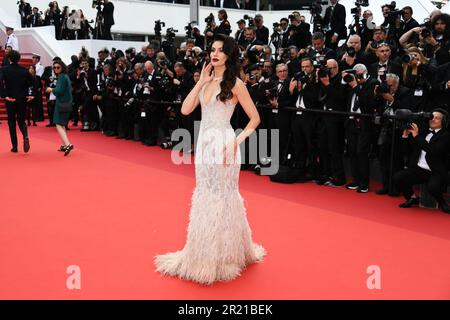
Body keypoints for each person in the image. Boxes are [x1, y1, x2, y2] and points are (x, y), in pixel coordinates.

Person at [155, 34, 265, 285]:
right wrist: (200, 82)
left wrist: (235, 142)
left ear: (228, 54)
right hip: (204, 145)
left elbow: (255, 119)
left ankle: (225, 254)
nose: (214, 54)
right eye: (212, 50)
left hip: (225, 144)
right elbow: (185, 109)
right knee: (205, 192)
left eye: (220, 50)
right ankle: (202, 252)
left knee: (224, 195)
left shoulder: (236, 83)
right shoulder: (205, 80)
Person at [394, 108, 450, 214]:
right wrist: (405, 135)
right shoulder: (423, 133)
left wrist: (416, 136)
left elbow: (433, 151)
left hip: (435, 171)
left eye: (437, 118)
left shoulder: (446, 136)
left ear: (443, 122)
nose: (433, 120)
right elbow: (407, 151)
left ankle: (442, 202)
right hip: (419, 169)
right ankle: (412, 197)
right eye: (432, 117)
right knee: (398, 177)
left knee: (433, 188)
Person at [0, 50, 33, 153]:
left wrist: (4, 95)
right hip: (22, 98)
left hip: (10, 98)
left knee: (11, 122)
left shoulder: (5, 70)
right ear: (19, 59)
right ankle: (25, 136)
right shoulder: (24, 70)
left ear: (9, 58)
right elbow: (32, 82)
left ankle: (15, 147)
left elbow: (0, 82)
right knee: (21, 121)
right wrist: (27, 93)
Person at [45, 60, 74, 156]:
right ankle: (64, 144)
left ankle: (68, 144)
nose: (56, 69)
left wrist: (51, 89)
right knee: (61, 124)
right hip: (66, 102)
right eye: (54, 67)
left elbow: (59, 91)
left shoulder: (61, 77)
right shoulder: (65, 76)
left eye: (58, 67)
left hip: (61, 103)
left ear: (62, 67)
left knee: (58, 124)